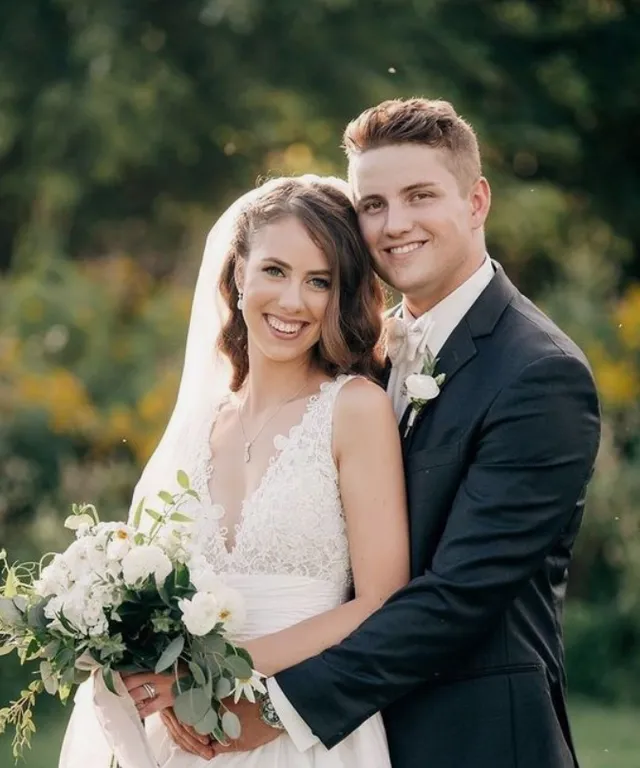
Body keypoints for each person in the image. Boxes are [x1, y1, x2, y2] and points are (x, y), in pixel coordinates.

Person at [172, 100, 601, 768]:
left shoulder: (539, 374)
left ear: (477, 200)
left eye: (420, 196)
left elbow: (458, 596)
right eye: (373, 204)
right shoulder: (364, 356)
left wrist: (272, 704)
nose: (395, 224)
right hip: (357, 735)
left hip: (473, 739)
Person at [58, 175, 410, 768]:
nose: (293, 301)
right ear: (238, 275)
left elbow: (380, 599)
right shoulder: (200, 426)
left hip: (305, 733)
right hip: (185, 735)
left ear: (340, 295)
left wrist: (222, 673)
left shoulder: (354, 410)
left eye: (318, 281)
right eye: (275, 270)